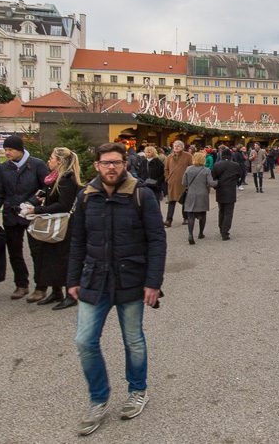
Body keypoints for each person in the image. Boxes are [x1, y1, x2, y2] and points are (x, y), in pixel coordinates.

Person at [67, 142, 166, 437]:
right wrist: (72, 279)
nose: (112, 167)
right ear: (96, 165)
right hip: (94, 279)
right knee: (85, 341)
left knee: (133, 340)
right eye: (106, 163)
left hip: (131, 278)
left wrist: (153, 283)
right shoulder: (86, 196)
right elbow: (77, 241)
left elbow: (157, 240)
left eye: (117, 162)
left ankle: (138, 390)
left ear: (126, 163)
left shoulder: (141, 195)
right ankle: (99, 399)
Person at [0, 135, 49, 298]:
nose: (7, 153)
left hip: (31, 214)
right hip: (11, 214)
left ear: (20, 150)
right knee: (14, 252)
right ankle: (21, 284)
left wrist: (30, 203)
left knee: (36, 251)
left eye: (10, 150)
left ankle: (41, 286)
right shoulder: (3, 168)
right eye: (5, 150)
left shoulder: (37, 165)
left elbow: (45, 187)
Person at [24, 147, 82, 309]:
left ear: (60, 162)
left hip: (64, 225)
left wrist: (37, 210)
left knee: (63, 260)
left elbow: (64, 205)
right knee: (52, 259)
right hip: (54, 223)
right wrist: (41, 197)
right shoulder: (54, 178)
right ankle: (56, 292)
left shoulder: (66, 179)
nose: (49, 161)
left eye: (51, 158)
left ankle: (71, 295)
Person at [182, 151, 215, 245]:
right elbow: (211, 183)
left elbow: (184, 183)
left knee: (190, 215)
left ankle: (190, 234)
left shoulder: (188, 169)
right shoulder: (206, 170)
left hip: (191, 194)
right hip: (202, 194)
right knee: (202, 214)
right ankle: (200, 233)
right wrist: (218, 182)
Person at [211, 152, 242, 240]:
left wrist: (216, 186)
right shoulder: (235, 165)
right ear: (230, 156)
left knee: (221, 211)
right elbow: (240, 175)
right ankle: (225, 232)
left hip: (220, 190)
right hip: (230, 190)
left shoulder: (217, 165)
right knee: (229, 212)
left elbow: (213, 176)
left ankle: (221, 228)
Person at [162, 140, 191, 227]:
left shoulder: (188, 156)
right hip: (172, 183)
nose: (176, 147)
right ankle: (168, 220)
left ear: (182, 147)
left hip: (184, 183)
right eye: (175, 146)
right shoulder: (169, 157)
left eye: (178, 146)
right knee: (171, 201)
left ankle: (185, 218)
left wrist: (189, 179)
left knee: (185, 201)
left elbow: (191, 168)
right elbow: (166, 169)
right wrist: (167, 178)